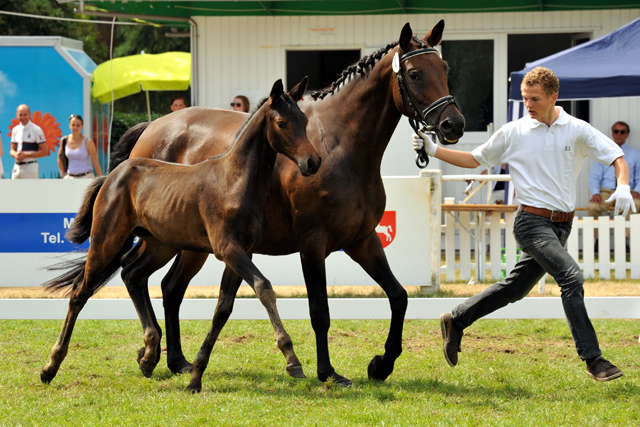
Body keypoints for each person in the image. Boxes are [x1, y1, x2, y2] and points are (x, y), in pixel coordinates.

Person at [413, 66, 635, 382]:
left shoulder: (576, 129)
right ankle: (594, 359)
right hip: (531, 223)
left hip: (561, 228)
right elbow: (475, 159)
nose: (528, 104)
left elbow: (616, 156)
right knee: (571, 278)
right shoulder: (513, 132)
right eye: (524, 98)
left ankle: (456, 320)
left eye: (535, 99)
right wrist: (434, 149)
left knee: (515, 289)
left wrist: (623, 184)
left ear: (554, 97)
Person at [588, 121, 640, 218]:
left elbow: (639, 177)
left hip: (628, 191)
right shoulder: (603, 153)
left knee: (635, 204)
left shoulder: (636, 155)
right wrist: (595, 193)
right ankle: (597, 234)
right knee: (593, 207)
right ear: (612, 133)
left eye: (622, 132)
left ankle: (627, 234)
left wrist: (637, 191)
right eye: (616, 131)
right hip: (606, 192)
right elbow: (594, 176)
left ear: (627, 134)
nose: (619, 134)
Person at [57, 115, 102, 179]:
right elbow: (59, 159)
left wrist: (100, 179)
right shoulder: (64, 140)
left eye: (78, 125)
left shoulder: (88, 141)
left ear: (82, 126)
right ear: (69, 126)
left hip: (86, 176)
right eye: (73, 125)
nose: (75, 127)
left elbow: (95, 161)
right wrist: (63, 175)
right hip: (70, 177)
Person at [10, 104, 48, 179]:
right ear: (16, 115)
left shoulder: (36, 130)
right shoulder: (15, 130)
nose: (23, 117)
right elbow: (12, 150)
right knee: (14, 190)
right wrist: (15, 154)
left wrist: (26, 155)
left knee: (31, 191)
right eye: (20, 115)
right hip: (16, 168)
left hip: (30, 168)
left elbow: (45, 151)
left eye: (25, 115)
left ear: (29, 114)